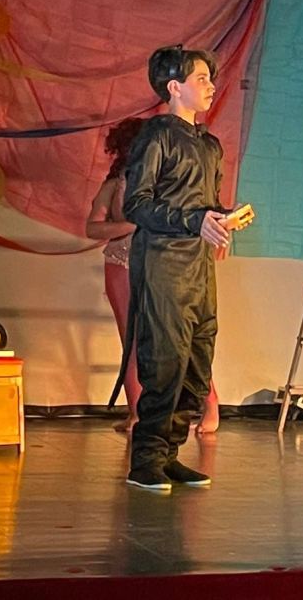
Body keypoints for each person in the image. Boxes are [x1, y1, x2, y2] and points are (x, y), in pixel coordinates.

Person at [122, 45, 233, 492]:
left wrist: (221, 220)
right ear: (174, 87)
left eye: (210, 78)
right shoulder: (156, 136)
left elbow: (203, 204)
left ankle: (169, 455)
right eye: (201, 78)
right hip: (164, 264)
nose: (210, 86)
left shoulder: (209, 145)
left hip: (199, 267)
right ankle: (146, 460)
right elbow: (136, 204)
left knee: (197, 363)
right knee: (165, 361)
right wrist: (192, 221)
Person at [91, 119, 221, 434]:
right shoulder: (116, 184)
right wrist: (132, 224)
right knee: (133, 341)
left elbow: (188, 215)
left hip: (163, 263)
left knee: (182, 336)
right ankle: (138, 413)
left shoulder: (167, 180)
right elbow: (92, 227)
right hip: (122, 262)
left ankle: (209, 405)